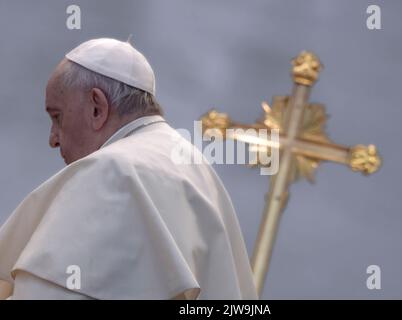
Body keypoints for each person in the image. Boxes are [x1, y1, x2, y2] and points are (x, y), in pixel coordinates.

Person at [0, 38, 257, 300]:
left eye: (57, 117)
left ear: (97, 108)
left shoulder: (111, 172)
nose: (53, 138)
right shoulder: (195, 166)